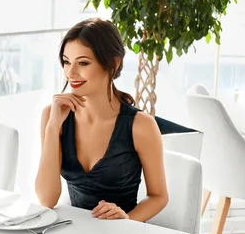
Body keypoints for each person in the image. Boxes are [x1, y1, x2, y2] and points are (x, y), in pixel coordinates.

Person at [35, 18, 168, 221]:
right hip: (75, 233)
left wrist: (127, 219)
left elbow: (159, 196)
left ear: (113, 64)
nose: (70, 73)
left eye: (83, 63)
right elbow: (47, 199)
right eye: (66, 62)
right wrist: (53, 128)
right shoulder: (52, 117)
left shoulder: (140, 126)